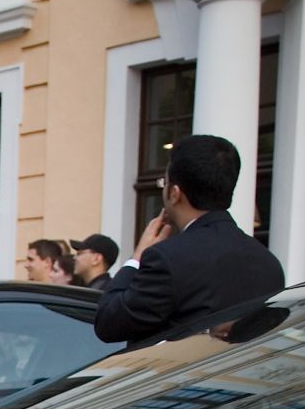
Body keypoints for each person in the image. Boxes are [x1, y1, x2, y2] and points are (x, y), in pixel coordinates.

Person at [97, 134, 285, 343]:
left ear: (175, 193)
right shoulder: (268, 263)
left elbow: (108, 323)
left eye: (164, 182)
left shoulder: (166, 259)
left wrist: (137, 257)